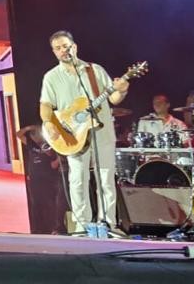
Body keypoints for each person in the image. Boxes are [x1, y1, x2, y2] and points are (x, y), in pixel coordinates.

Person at [38, 31, 129, 234]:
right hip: (72, 136)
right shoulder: (51, 77)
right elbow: (45, 104)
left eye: (66, 46)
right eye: (58, 48)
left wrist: (121, 89)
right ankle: (82, 225)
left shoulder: (94, 70)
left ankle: (108, 224)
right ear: (54, 52)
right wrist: (49, 123)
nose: (63, 51)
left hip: (102, 133)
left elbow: (113, 99)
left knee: (105, 179)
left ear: (75, 47)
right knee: (78, 179)